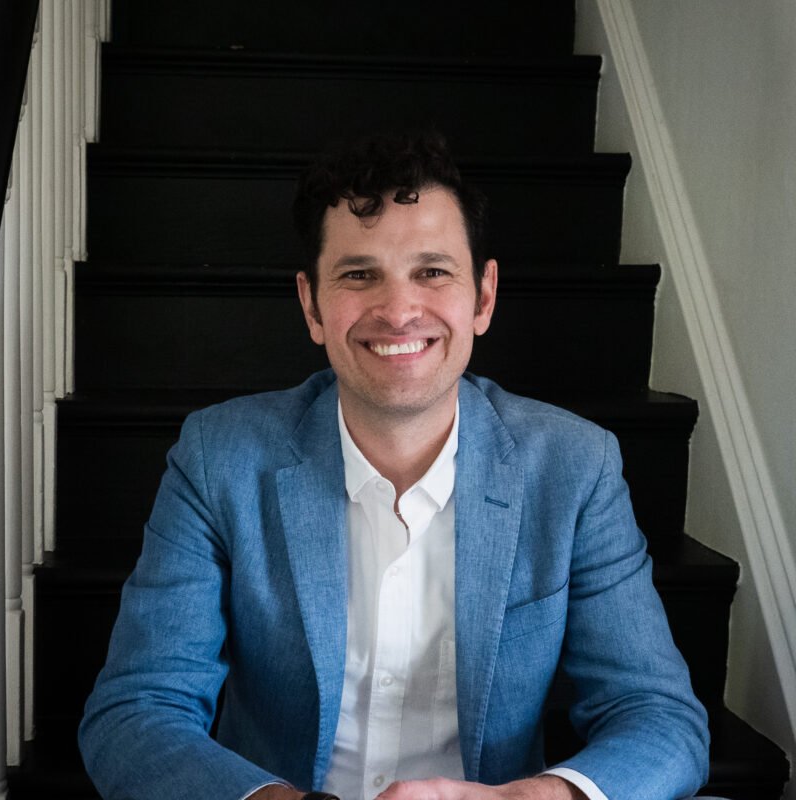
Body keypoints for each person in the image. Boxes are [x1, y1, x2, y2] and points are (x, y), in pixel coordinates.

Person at [79, 132, 711, 800]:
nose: (399, 310)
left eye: (432, 271)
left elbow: (660, 718)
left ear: (484, 297)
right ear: (312, 306)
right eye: (359, 274)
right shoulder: (217, 459)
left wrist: (530, 799)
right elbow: (135, 713)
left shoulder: (574, 468)